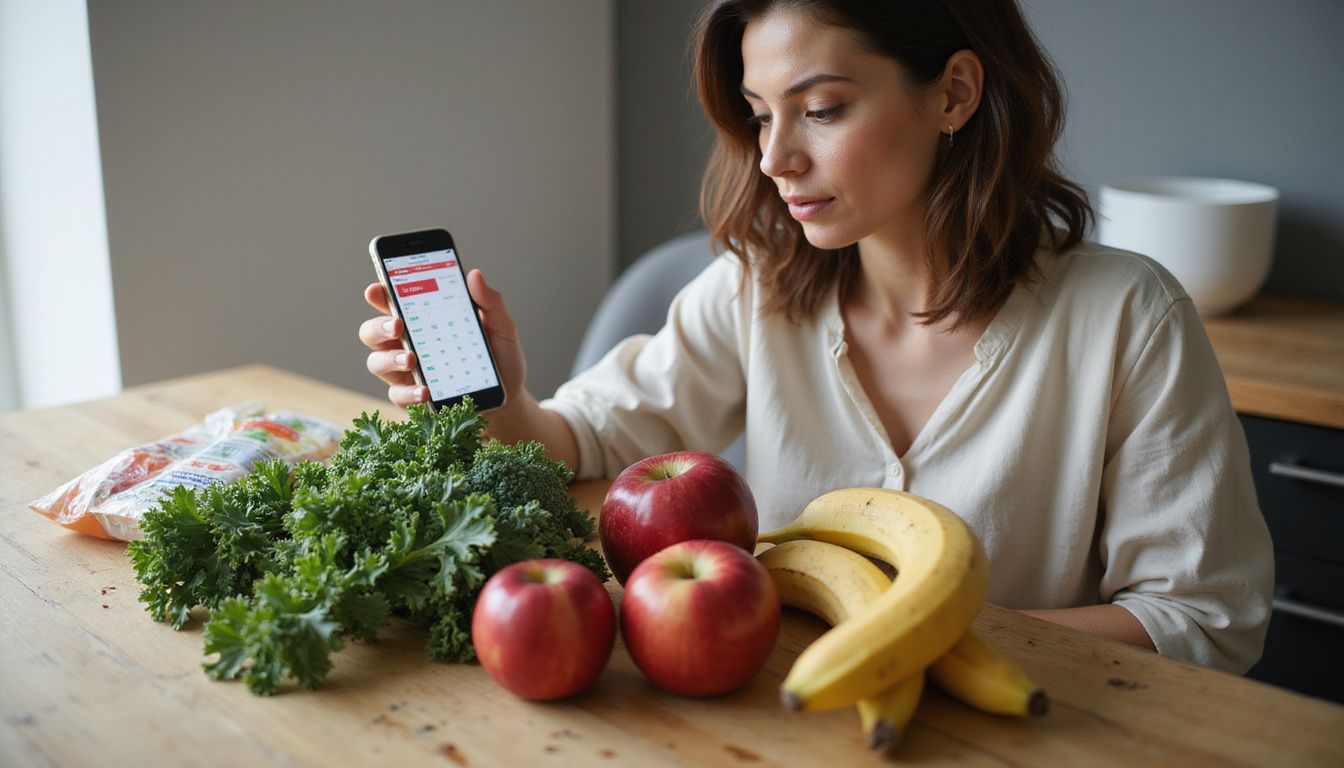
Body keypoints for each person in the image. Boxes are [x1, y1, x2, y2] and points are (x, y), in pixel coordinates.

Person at [359, 0, 1272, 674]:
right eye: (760, 114)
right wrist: (503, 397)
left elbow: (1203, 619)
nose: (774, 158)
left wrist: (913, 640)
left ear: (953, 93)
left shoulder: (1128, 318)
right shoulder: (759, 286)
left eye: (822, 109)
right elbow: (581, 444)